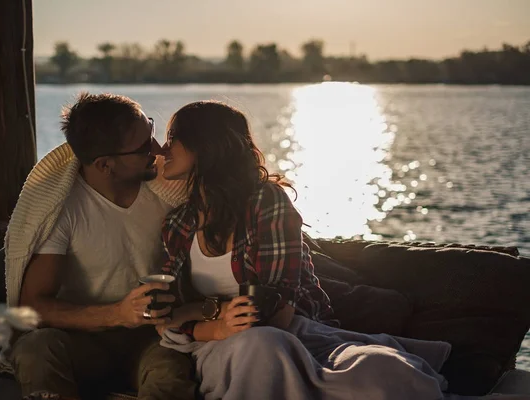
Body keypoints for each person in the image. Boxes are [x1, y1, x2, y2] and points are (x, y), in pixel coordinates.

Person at [156, 101, 454, 400]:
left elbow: (275, 308)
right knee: (260, 347)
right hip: (218, 347)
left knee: (382, 371)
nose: (162, 149)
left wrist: (200, 315)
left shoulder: (265, 202)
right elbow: (169, 319)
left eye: (172, 138)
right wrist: (217, 326)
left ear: (205, 145)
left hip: (291, 333)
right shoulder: (178, 225)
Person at [4, 93, 197, 400]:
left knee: (170, 370)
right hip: (83, 342)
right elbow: (33, 305)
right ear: (106, 164)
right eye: (143, 147)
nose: (159, 150)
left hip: (153, 338)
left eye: (151, 131)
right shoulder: (62, 209)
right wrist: (117, 314)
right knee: (35, 349)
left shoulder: (168, 192)